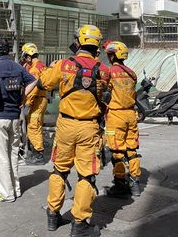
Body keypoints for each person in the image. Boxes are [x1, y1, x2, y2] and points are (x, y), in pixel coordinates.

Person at [40, 24, 109, 237]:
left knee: (60, 170)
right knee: (86, 176)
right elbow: (105, 91)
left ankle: (53, 214)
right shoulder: (104, 70)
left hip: (66, 126)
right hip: (89, 128)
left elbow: (44, 82)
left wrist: (52, 68)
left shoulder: (63, 64)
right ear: (97, 46)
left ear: (78, 42)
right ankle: (79, 223)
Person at [0, 37, 37, 203]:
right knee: (13, 154)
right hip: (14, 117)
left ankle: (6, 193)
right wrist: (22, 98)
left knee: (1, 156)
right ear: (8, 51)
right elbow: (34, 80)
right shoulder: (17, 67)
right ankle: (15, 189)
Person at [103, 41, 142, 197]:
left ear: (113, 55)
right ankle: (135, 185)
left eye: (109, 54)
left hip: (116, 115)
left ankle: (120, 185)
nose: (108, 57)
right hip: (131, 115)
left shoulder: (110, 72)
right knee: (132, 150)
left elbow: (104, 91)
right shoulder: (132, 73)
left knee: (117, 152)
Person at [20, 42, 47, 165]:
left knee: (33, 126)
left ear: (29, 56)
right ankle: (35, 150)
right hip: (40, 99)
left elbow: (33, 88)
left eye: (25, 56)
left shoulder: (35, 69)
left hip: (36, 100)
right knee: (36, 126)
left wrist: (26, 103)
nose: (25, 59)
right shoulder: (41, 65)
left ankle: (38, 154)